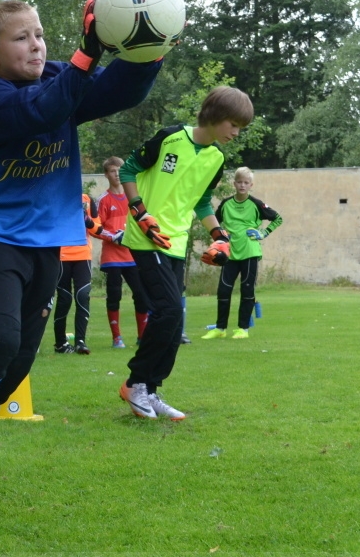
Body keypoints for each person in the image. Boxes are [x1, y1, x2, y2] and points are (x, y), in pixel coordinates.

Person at [0, 0, 162, 515]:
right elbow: (45, 108)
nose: (36, 45)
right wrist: (86, 51)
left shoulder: (59, 76)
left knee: (17, 363)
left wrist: (150, 47)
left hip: (49, 241)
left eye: (40, 34)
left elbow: (116, 91)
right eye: (21, 37)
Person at [117, 86, 253, 421]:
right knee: (168, 311)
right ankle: (135, 383)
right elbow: (128, 170)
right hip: (146, 236)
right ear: (215, 115)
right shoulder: (170, 138)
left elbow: (202, 202)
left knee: (174, 319)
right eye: (233, 124)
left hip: (176, 242)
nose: (236, 132)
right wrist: (140, 211)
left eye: (240, 126)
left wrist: (218, 235)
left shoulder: (217, 159)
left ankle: (149, 388)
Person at [203, 167, 283, 340]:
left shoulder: (256, 204)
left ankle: (243, 329)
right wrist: (220, 239)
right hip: (230, 254)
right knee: (223, 290)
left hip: (250, 252)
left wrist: (263, 233)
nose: (242, 185)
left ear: (251, 185)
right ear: (234, 183)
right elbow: (214, 223)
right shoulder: (226, 204)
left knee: (247, 291)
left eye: (246, 183)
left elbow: (278, 218)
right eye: (239, 182)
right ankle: (220, 328)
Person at [94, 156, 148, 349]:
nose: (116, 174)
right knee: (114, 295)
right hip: (112, 258)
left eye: (119, 170)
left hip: (133, 256)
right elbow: (96, 227)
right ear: (106, 174)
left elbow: (143, 220)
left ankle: (142, 337)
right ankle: (117, 338)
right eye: (112, 171)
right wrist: (114, 236)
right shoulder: (103, 200)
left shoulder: (133, 197)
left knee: (141, 295)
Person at [52, 192, 99, 355]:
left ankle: (80, 342)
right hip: (62, 255)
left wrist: (87, 220)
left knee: (82, 295)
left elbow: (98, 230)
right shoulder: (56, 197)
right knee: (64, 298)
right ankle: (60, 344)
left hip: (83, 256)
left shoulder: (87, 199)